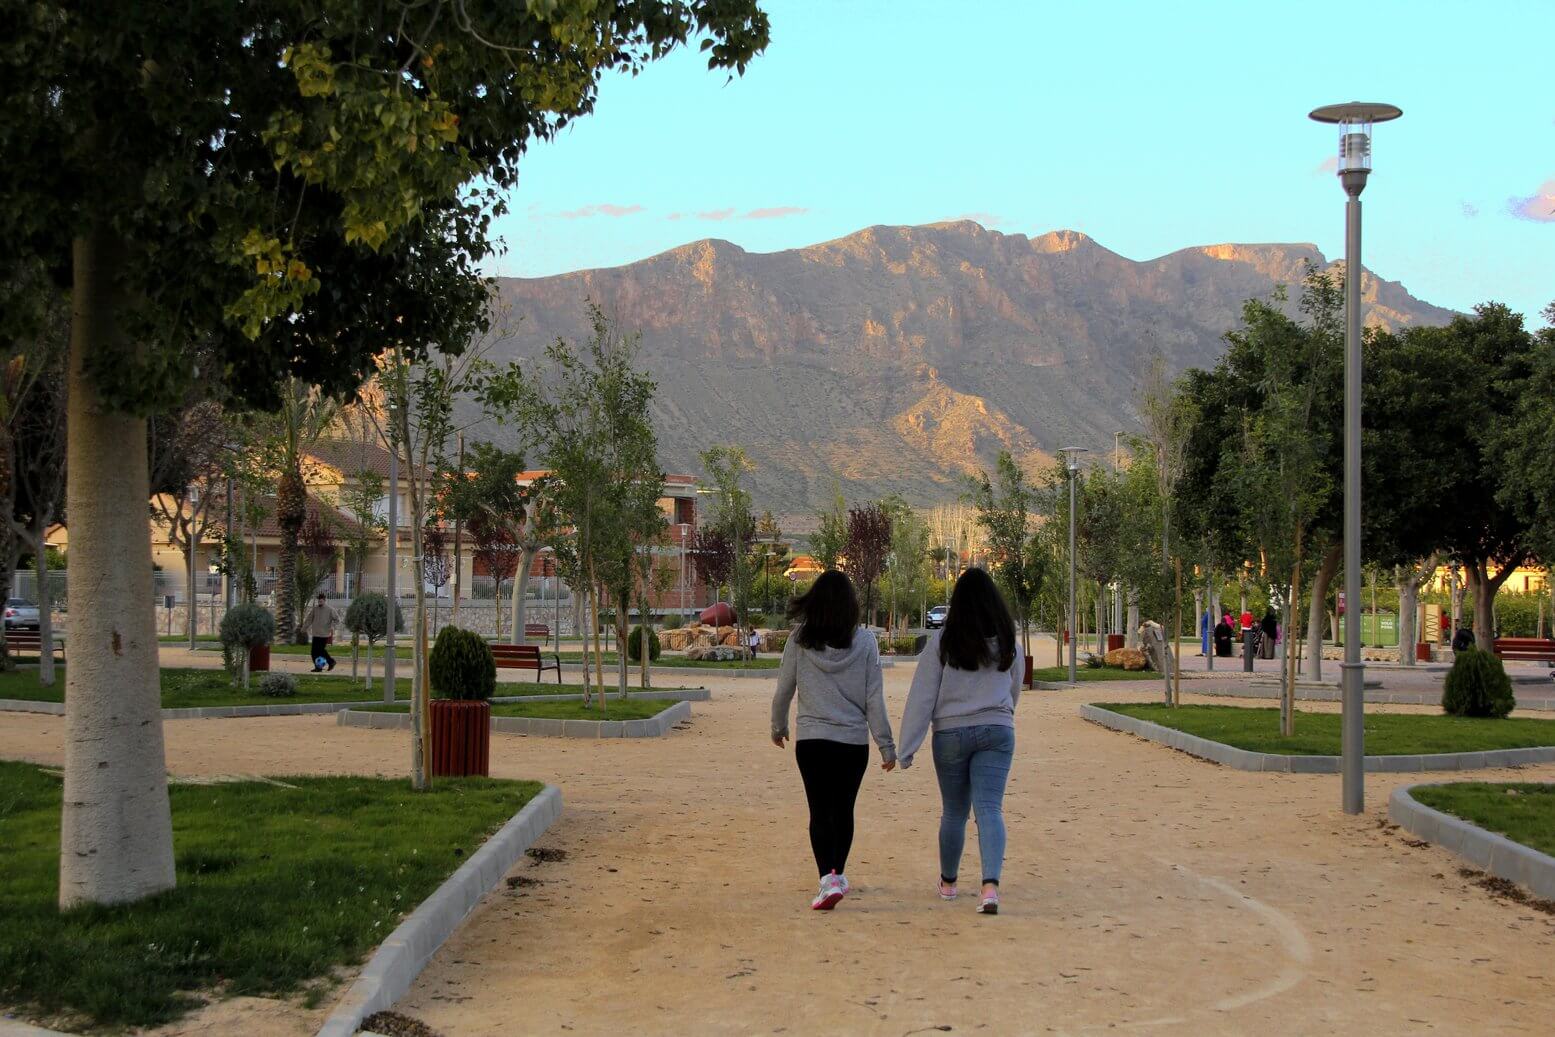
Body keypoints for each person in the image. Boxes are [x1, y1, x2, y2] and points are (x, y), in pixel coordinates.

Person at [897, 567, 1023, 916]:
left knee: (954, 811)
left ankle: (949, 882)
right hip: (997, 730)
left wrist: (906, 749)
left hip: (950, 734)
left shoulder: (944, 642)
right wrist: (1003, 714)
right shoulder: (1008, 638)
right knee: (990, 809)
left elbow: (923, 695)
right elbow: (1015, 685)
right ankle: (989, 888)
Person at [770, 570, 896, 911]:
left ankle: (828, 878)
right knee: (843, 811)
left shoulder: (799, 639)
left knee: (819, 811)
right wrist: (886, 744)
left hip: (812, 742)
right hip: (852, 744)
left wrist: (778, 726)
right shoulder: (866, 642)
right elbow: (874, 699)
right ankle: (836, 874)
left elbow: (784, 688)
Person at [304, 592, 338, 672]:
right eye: (319, 601)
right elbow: (309, 619)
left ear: (324, 600)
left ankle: (331, 662)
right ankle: (318, 667)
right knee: (313, 652)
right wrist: (304, 628)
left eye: (321, 601)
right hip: (316, 634)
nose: (320, 602)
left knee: (321, 650)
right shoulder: (315, 609)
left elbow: (337, 620)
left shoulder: (330, 610)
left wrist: (332, 627)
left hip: (324, 634)